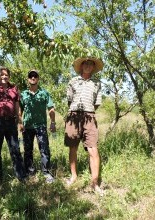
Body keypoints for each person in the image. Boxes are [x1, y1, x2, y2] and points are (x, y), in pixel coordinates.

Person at [64, 57, 103, 193]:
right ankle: (74, 176)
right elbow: (69, 100)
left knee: (93, 148)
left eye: (90, 64)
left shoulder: (97, 83)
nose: (87, 66)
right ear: (81, 66)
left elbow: (97, 103)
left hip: (89, 116)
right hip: (73, 115)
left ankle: (95, 183)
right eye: (85, 63)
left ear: (93, 67)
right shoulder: (73, 81)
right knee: (73, 147)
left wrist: (88, 112)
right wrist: (76, 112)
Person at [0, 66, 26, 182]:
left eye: (6, 75)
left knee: (15, 149)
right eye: (1, 74)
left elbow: (17, 106)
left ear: (9, 76)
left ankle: (21, 176)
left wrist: (20, 121)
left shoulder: (14, 88)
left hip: (11, 123)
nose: (4, 76)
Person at [19, 70, 56, 183]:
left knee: (44, 149)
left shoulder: (44, 93)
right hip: (27, 126)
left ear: (38, 78)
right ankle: (30, 171)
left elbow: (51, 108)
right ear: (28, 79)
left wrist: (53, 122)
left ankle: (46, 172)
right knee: (28, 150)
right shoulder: (23, 94)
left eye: (35, 76)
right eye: (31, 76)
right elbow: (19, 109)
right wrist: (20, 123)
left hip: (41, 126)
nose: (33, 78)